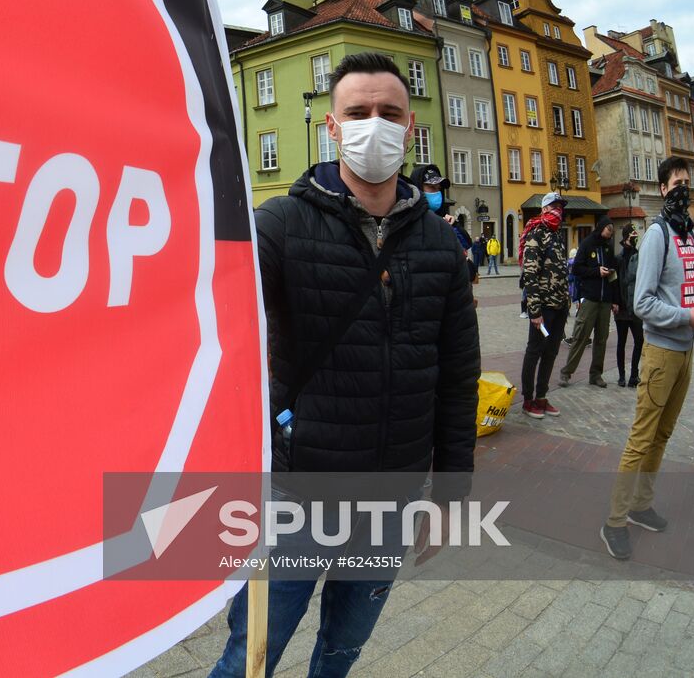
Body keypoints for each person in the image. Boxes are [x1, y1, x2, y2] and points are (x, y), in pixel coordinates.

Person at [208, 52, 480, 678]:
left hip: (393, 498)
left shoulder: (441, 243)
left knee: (341, 652)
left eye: (389, 113)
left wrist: (452, 493)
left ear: (410, 126)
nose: (374, 126)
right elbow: (218, 309)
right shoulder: (280, 224)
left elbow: (459, 376)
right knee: (250, 654)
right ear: (332, 127)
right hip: (298, 490)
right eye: (358, 113)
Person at [601, 157, 694, 561]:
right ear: (663, 188)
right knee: (641, 437)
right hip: (661, 353)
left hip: (685, 353)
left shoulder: (689, 235)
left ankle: (641, 505)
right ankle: (614, 521)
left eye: (688, 181)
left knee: (662, 435)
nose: (684, 187)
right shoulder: (657, 235)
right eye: (676, 183)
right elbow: (642, 301)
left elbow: (685, 291)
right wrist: (685, 316)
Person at [518, 193, 570, 420]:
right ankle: (528, 400)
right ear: (544, 209)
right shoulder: (535, 233)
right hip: (544, 308)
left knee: (551, 351)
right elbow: (529, 275)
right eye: (554, 206)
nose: (558, 210)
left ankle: (541, 396)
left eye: (560, 206)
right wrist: (535, 311)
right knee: (535, 350)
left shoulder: (558, 234)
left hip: (559, 307)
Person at [559, 217, 619, 388]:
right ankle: (566, 372)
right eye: (608, 229)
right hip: (590, 299)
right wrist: (596, 271)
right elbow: (577, 268)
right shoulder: (587, 244)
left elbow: (614, 276)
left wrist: (615, 299)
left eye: (611, 231)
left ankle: (596, 374)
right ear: (601, 228)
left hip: (605, 300)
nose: (610, 233)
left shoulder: (608, 247)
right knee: (581, 336)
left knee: (601, 339)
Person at [613, 224, 644, 388]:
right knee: (621, 342)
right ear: (625, 238)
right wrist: (615, 301)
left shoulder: (640, 257)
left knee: (639, 340)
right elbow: (614, 282)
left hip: (636, 307)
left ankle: (634, 375)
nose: (635, 238)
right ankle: (621, 376)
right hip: (622, 307)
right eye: (632, 235)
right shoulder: (618, 259)